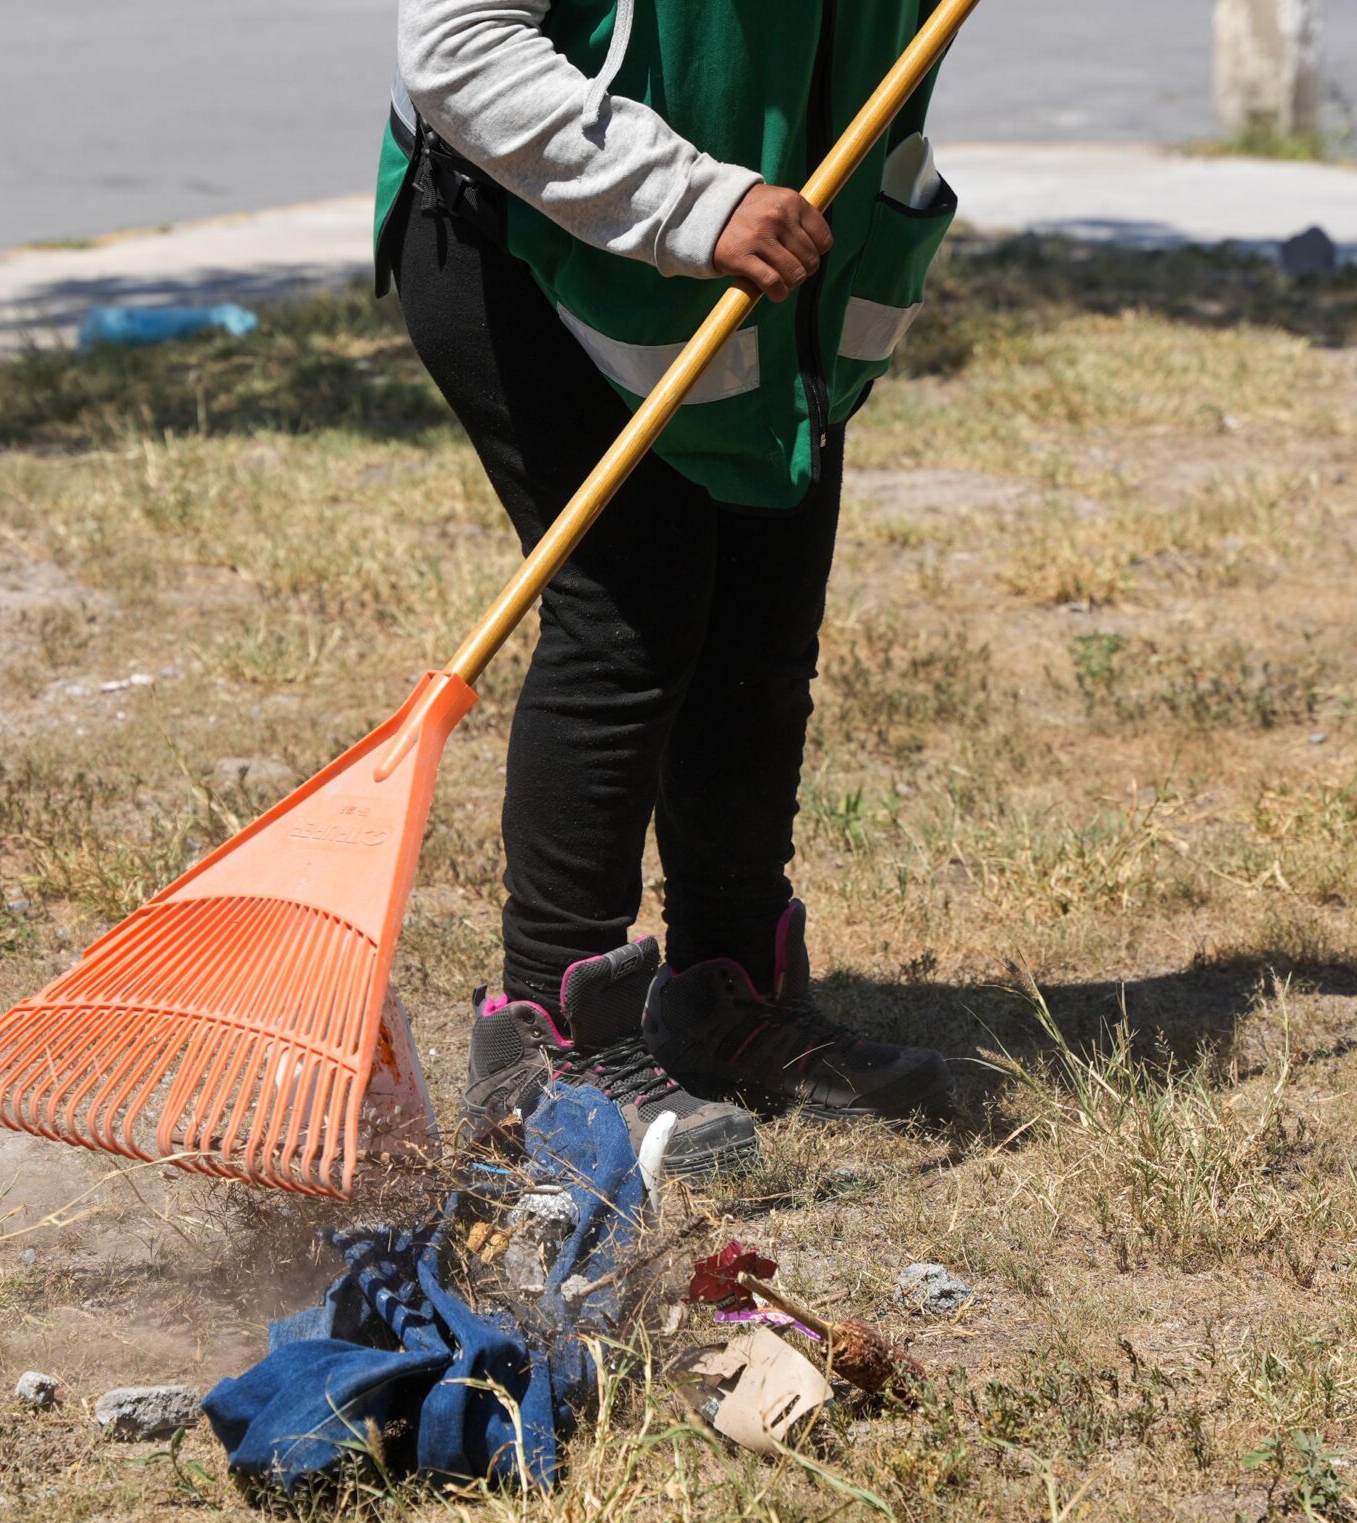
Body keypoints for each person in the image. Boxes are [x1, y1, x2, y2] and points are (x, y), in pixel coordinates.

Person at [379, 0, 961, 1174]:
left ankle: (727, 995)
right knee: (631, 615)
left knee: (761, 626)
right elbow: (459, 43)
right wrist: (696, 204)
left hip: (783, 255)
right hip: (539, 228)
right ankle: (549, 1041)